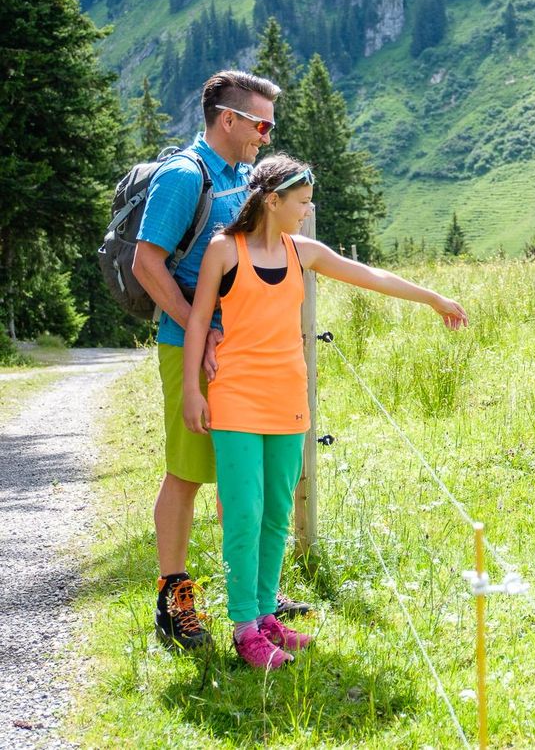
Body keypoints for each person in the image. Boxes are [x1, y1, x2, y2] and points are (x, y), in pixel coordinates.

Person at [182, 154, 467, 668]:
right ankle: (244, 629)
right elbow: (199, 321)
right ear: (272, 201)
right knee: (243, 512)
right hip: (235, 396)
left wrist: (434, 299)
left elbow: (371, 275)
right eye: (302, 202)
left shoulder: (304, 251)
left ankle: (266, 617)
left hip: (288, 398)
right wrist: (191, 391)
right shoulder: (225, 250)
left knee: (277, 512)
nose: (307, 211)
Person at [134, 70, 313, 651]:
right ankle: (175, 597)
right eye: (260, 125)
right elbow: (146, 263)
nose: (267, 136)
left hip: (242, 351)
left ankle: (255, 596)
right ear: (228, 119)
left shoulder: (243, 178)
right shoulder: (186, 176)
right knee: (188, 470)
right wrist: (200, 329)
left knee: (243, 477)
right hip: (189, 344)